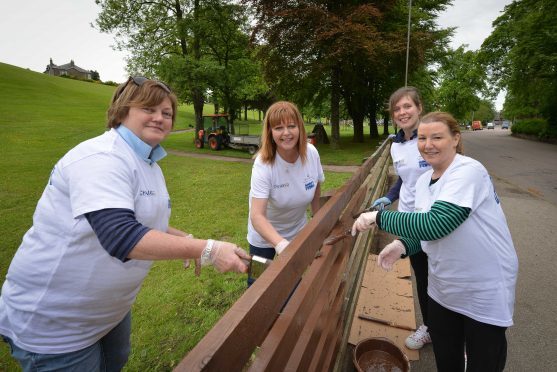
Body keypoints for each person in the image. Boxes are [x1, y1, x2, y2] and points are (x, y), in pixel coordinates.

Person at [0, 76, 250, 371]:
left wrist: (188, 244)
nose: (159, 118)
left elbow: (138, 220)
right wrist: (208, 249)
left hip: (108, 313)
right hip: (57, 325)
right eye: (149, 109)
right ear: (122, 110)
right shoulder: (101, 157)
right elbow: (121, 236)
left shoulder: (148, 163)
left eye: (167, 113)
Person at [352, 111, 518, 371]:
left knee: (483, 361)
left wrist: (378, 217)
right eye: (422, 138)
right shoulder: (421, 182)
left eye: (437, 137)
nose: (428, 144)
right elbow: (423, 228)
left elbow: (437, 224)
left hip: (483, 287)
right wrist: (403, 245)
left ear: (455, 139)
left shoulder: (467, 171)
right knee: (447, 357)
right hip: (444, 287)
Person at [371, 86, 433, 350]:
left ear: (419, 108)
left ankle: (454, 330)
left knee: (444, 276)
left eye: (407, 106)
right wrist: (389, 197)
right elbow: (404, 180)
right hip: (408, 221)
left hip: (435, 218)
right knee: (422, 276)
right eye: (397, 109)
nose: (402, 112)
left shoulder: (430, 139)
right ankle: (430, 326)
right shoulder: (396, 145)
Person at [247, 101, 325, 286]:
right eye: (278, 127)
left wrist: (318, 223)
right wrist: (281, 244)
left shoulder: (311, 153)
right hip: (262, 238)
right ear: (270, 132)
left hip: (297, 232)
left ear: (300, 127)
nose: (286, 133)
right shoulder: (263, 164)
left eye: (291, 126)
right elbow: (257, 215)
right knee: (257, 285)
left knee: (292, 283)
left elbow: (316, 190)